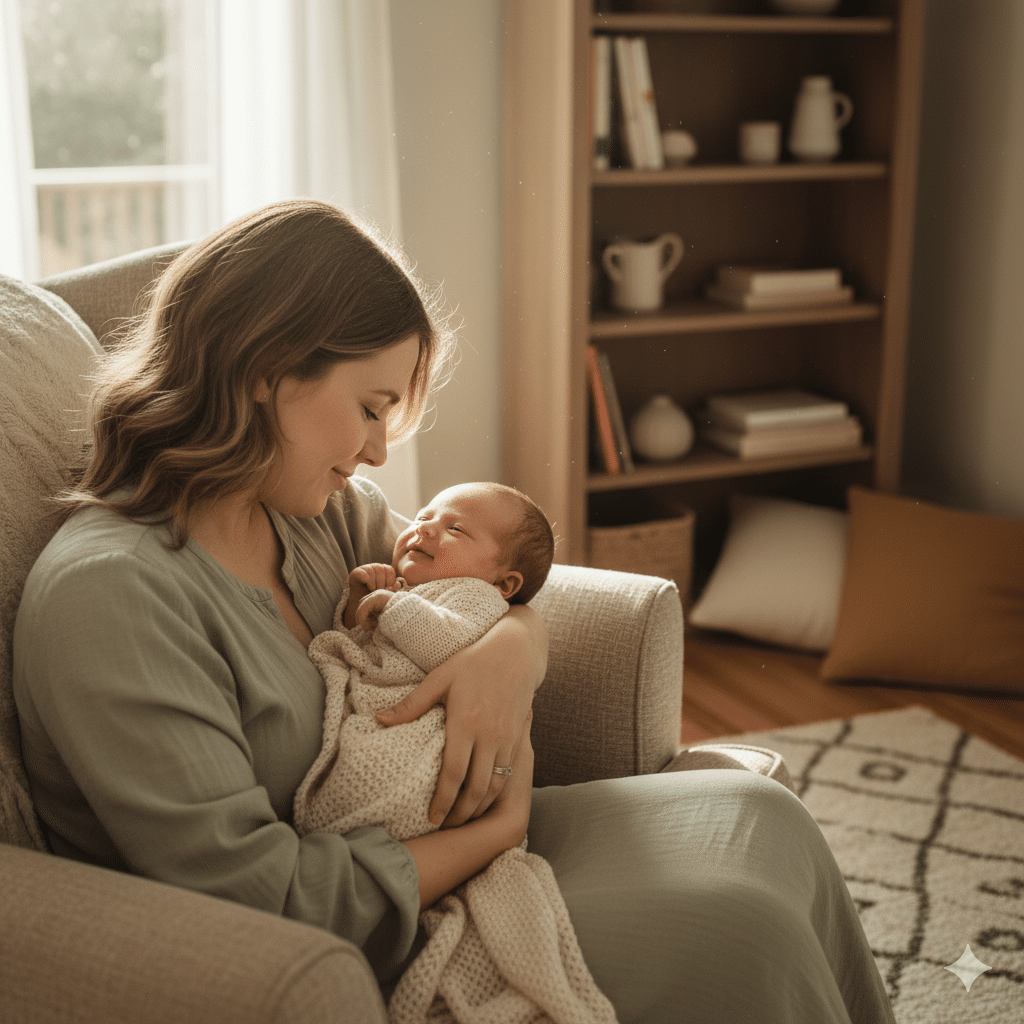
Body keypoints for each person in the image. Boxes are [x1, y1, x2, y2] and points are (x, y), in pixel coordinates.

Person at [13, 199, 896, 1023]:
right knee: (737, 935)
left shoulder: (311, 513)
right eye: (369, 407)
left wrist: (511, 651)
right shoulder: (113, 598)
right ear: (264, 369)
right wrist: (500, 829)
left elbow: (477, 592)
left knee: (761, 814)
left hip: (451, 853)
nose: (376, 448)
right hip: (379, 930)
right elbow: (266, 899)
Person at [295, 483, 611, 1022]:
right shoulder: (411, 587)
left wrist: (391, 607)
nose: (424, 529)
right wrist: (356, 604)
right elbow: (361, 649)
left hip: (425, 747)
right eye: (422, 517)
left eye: (456, 528)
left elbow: (443, 643)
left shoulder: (472, 597)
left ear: (503, 581)